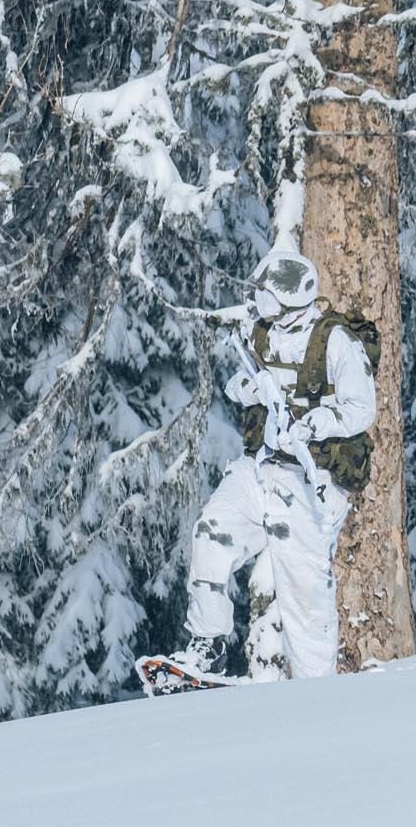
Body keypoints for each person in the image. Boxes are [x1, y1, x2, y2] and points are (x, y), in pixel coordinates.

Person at [162, 250, 378, 685]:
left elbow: (363, 407)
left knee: (303, 598)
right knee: (212, 532)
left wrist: (316, 422)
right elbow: (237, 380)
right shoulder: (262, 333)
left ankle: (317, 691)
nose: (259, 303)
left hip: (310, 479)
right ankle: (207, 645)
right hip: (259, 468)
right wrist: (248, 390)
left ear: (286, 297)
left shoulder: (334, 340)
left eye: (266, 295)